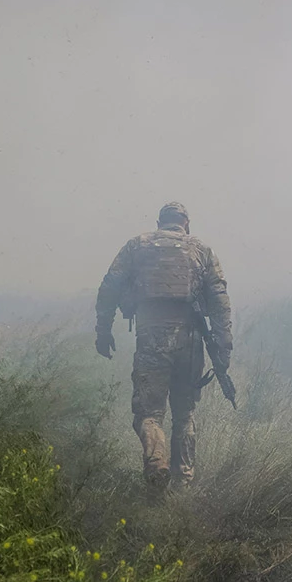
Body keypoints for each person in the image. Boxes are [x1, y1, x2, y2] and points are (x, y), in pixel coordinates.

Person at [95, 201, 232, 496]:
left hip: (152, 337)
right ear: (186, 224)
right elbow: (220, 301)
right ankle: (182, 486)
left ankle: (157, 463)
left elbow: (110, 286)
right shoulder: (202, 249)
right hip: (192, 341)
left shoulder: (137, 246)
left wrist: (103, 331)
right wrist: (223, 350)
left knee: (149, 414)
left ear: (160, 223)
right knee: (184, 414)